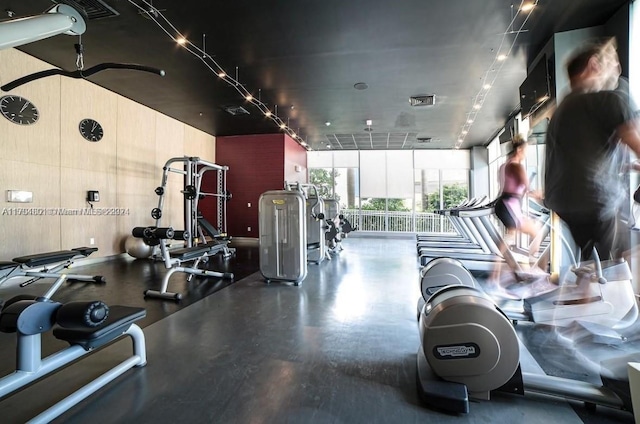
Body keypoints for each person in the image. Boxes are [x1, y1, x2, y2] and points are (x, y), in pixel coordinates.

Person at [544, 37, 640, 261]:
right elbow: (635, 142)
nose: (617, 71)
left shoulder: (562, 109)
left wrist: (628, 165)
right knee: (611, 264)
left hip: (565, 204)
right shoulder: (608, 101)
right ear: (594, 65)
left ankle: (586, 289)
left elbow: (581, 155)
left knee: (593, 265)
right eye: (613, 64)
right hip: (595, 202)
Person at [494, 134, 543, 266]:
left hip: (505, 204)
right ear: (519, 150)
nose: (526, 154)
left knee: (510, 237)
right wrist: (540, 194)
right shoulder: (516, 166)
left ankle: (496, 274)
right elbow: (527, 188)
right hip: (510, 205)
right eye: (526, 151)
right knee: (535, 232)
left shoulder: (504, 165)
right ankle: (534, 268)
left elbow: (512, 187)